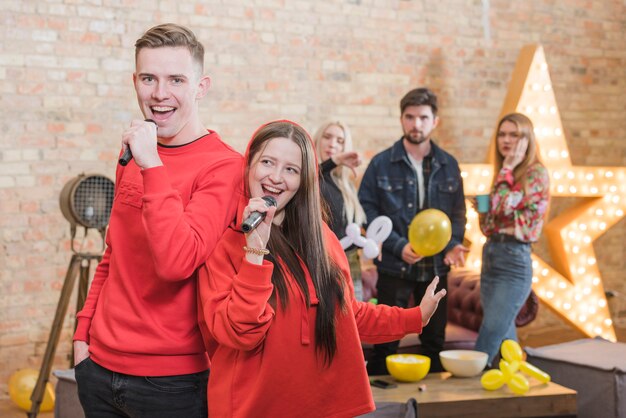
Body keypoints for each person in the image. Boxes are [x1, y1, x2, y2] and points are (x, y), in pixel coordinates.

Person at [197, 120, 446, 418]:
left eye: (291, 169)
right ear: (248, 165)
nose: (276, 177)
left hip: (324, 407)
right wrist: (255, 251)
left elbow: (348, 316)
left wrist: (415, 316)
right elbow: (240, 333)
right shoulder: (223, 242)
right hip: (251, 407)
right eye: (267, 162)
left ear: (305, 180)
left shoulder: (323, 239)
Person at [72, 24, 243, 418]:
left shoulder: (224, 167)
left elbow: (176, 262)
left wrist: (152, 163)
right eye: (149, 78)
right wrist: (82, 335)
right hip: (97, 368)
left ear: (201, 87)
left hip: (172, 383)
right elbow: (114, 254)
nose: (159, 94)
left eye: (176, 80)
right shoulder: (136, 153)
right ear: (135, 81)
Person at [358, 87, 468, 374]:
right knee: (385, 339)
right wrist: (397, 245)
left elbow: (457, 213)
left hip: (436, 268)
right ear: (402, 119)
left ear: (435, 121)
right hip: (394, 267)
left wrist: (453, 244)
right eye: (409, 117)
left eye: (422, 117)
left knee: (434, 340)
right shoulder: (381, 163)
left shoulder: (449, 165)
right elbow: (367, 210)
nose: (415, 124)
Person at [474, 112, 550, 366]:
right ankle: (514, 389)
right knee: (505, 334)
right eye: (502, 134)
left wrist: (505, 170)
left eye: (514, 135)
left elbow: (506, 205)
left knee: (491, 330)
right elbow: (488, 227)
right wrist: (483, 210)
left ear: (527, 139)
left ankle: (471, 378)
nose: (506, 140)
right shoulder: (503, 177)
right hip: (492, 254)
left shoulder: (535, 174)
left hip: (515, 261)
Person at [313, 120, 367, 301]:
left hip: (352, 263)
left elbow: (349, 227)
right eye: (327, 137)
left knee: (356, 321)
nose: (333, 144)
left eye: (340, 140)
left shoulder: (346, 186)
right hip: (324, 264)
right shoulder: (311, 176)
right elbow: (312, 176)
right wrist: (335, 161)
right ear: (318, 140)